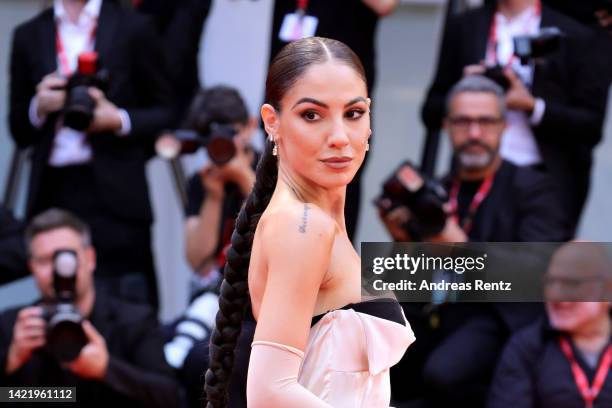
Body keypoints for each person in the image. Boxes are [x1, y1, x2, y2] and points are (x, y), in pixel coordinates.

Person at [204, 37, 415, 408]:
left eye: (353, 114)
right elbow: (270, 393)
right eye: (312, 115)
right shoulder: (302, 226)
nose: (338, 138)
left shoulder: (314, 221)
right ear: (273, 122)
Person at [380, 75, 569, 406]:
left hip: (499, 317)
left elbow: (539, 273)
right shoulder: (437, 190)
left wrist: (463, 250)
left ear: (504, 126)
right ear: (446, 126)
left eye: (486, 122)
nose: (475, 134)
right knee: (378, 351)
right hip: (440, 307)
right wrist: (403, 243)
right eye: (463, 122)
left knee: (444, 373)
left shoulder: (534, 189)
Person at [8, 0, 176, 308]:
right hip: (53, 190)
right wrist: (39, 106)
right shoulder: (29, 34)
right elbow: (18, 128)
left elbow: (167, 111)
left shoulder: (134, 27)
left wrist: (118, 120)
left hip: (117, 194)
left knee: (131, 303)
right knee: (59, 297)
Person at [421, 0, 608, 234]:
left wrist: (532, 106)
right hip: (474, 174)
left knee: (530, 267)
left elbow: (591, 126)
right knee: (462, 264)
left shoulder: (575, 33)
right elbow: (431, 109)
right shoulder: (466, 25)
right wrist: (468, 91)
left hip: (545, 179)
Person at [0, 208, 180, 407]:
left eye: (66, 257)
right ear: (31, 267)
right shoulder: (15, 326)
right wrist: (11, 360)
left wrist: (106, 369)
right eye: (44, 260)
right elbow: (7, 395)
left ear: (90, 259)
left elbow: (171, 398)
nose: (58, 270)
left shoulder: (134, 320)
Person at [268, 0, 400, 242]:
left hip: (341, 102)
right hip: (288, 98)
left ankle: (334, 269)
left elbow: (385, 4)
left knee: (337, 185)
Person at [164, 86, 257, 408]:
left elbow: (276, 232)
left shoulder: (274, 169)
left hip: (255, 306)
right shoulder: (201, 183)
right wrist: (215, 196)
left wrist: (246, 179)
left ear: (251, 126)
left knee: (200, 363)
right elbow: (198, 260)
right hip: (213, 298)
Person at [488, 242, 612, 408]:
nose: (556, 295)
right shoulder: (527, 348)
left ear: (607, 290)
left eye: (571, 284)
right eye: (551, 282)